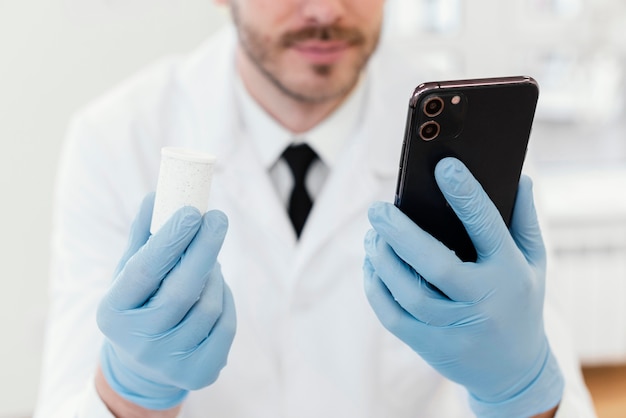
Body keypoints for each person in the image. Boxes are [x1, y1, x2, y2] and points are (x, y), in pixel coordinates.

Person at [34, 0, 596, 417]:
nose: (326, 10)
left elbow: (562, 398)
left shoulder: (478, 147)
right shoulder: (116, 138)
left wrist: (519, 389)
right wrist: (132, 388)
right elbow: (64, 397)